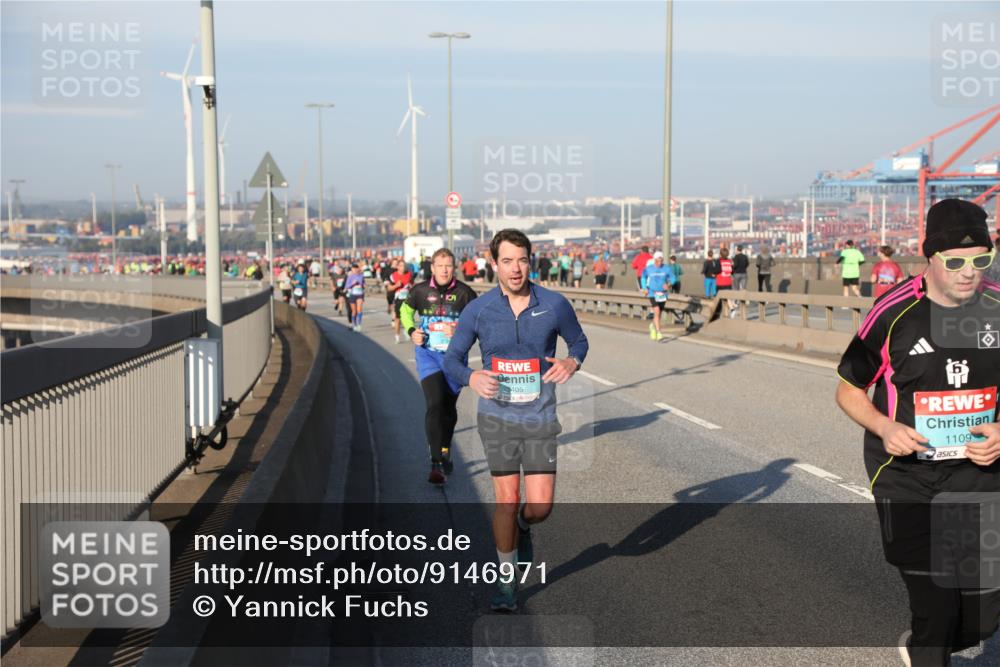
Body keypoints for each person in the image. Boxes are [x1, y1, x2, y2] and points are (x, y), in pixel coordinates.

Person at [835, 199, 999, 667]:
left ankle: (928, 644)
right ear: (930, 256)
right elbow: (848, 389)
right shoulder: (892, 312)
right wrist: (885, 426)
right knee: (937, 610)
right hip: (907, 479)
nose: (969, 274)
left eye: (981, 260)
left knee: (982, 621)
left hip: (979, 478)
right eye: (956, 262)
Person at [444, 229, 588, 612]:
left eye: (522, 260)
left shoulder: (553, 304)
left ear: (530, 261)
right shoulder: (479, 310)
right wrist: (471, 377)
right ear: (494, 264)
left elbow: (579, 342)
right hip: (497, 419)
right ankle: (506, 583)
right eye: (507, 261)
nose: (515, 269)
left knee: (540, 507)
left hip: (540, 417)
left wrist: (572, 362)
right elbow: (452, 360)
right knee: (506, 501)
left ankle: (524, 527)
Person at [399, 248, 478, 484]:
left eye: (448, 266)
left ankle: (445, 448)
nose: (444, 270)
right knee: (434, 404)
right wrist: (412, 331)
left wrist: (460, 330)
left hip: (455, 358)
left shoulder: (466, 293)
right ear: (432, 268)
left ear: (454, 268)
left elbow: (479, 323)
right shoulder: (420, 291)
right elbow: (404, 311)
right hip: (428, 355)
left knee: (448, 408)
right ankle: (435, 463)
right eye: (440, 266)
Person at [640, 251, 676, 341]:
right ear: (654, 260)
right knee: (656, 311)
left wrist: (669, 285)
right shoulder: (649, 268)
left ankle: (653, 326)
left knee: (658, 314)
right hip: (652, 293)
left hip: (663, 294)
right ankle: (659, 332)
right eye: (657, 261)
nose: (659, 263)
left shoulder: (666, 268)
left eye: (661, 260)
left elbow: (673, 278)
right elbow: (643, 277)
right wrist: (644, 288)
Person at [389, 259, 414, 343]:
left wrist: (410, 286)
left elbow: (413, 285)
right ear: (397, 267)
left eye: (404, 266)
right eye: (401, 266)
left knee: (409, 316)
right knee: (398, 319)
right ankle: (397, 335)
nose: (403, 267)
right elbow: (389, 288)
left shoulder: (409, 274)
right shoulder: (393, 276)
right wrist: (396, 285)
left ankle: (407, 330)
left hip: (408, 299)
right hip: (398, 299)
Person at [345, 263, 366, 331]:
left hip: (360, 294)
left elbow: (364, 284)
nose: (355, 270)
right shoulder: (350, 276)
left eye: (356, 268)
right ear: (352, 270)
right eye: (353, 269)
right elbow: (347, 286)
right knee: (354, 311)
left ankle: (359, 324)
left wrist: (363, 285)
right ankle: (354, 324)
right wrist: (353, 283)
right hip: (353, 294)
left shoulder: (361, 276)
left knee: (359, 309)